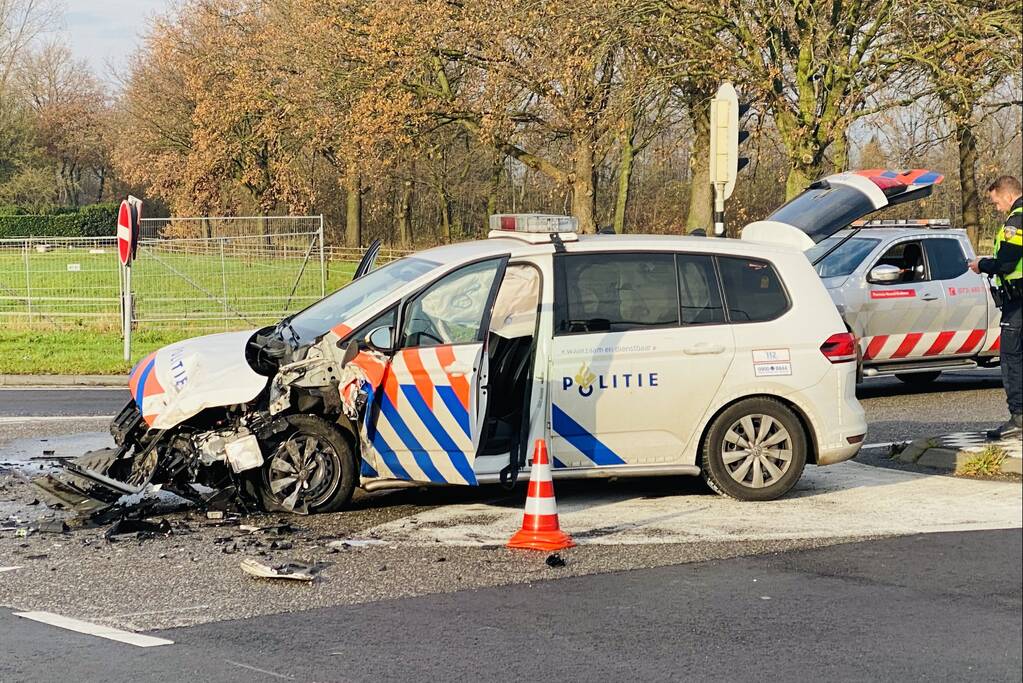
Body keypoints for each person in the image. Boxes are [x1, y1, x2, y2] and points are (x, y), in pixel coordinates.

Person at [969, 175, 1022, 440]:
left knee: (1012, 358)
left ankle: (1019, 419)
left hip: (1018, 303)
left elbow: (1007, 264)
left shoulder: (1016, 221)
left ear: (1008, 195)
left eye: (996, 201)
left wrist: (983, 264)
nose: (997, 207)